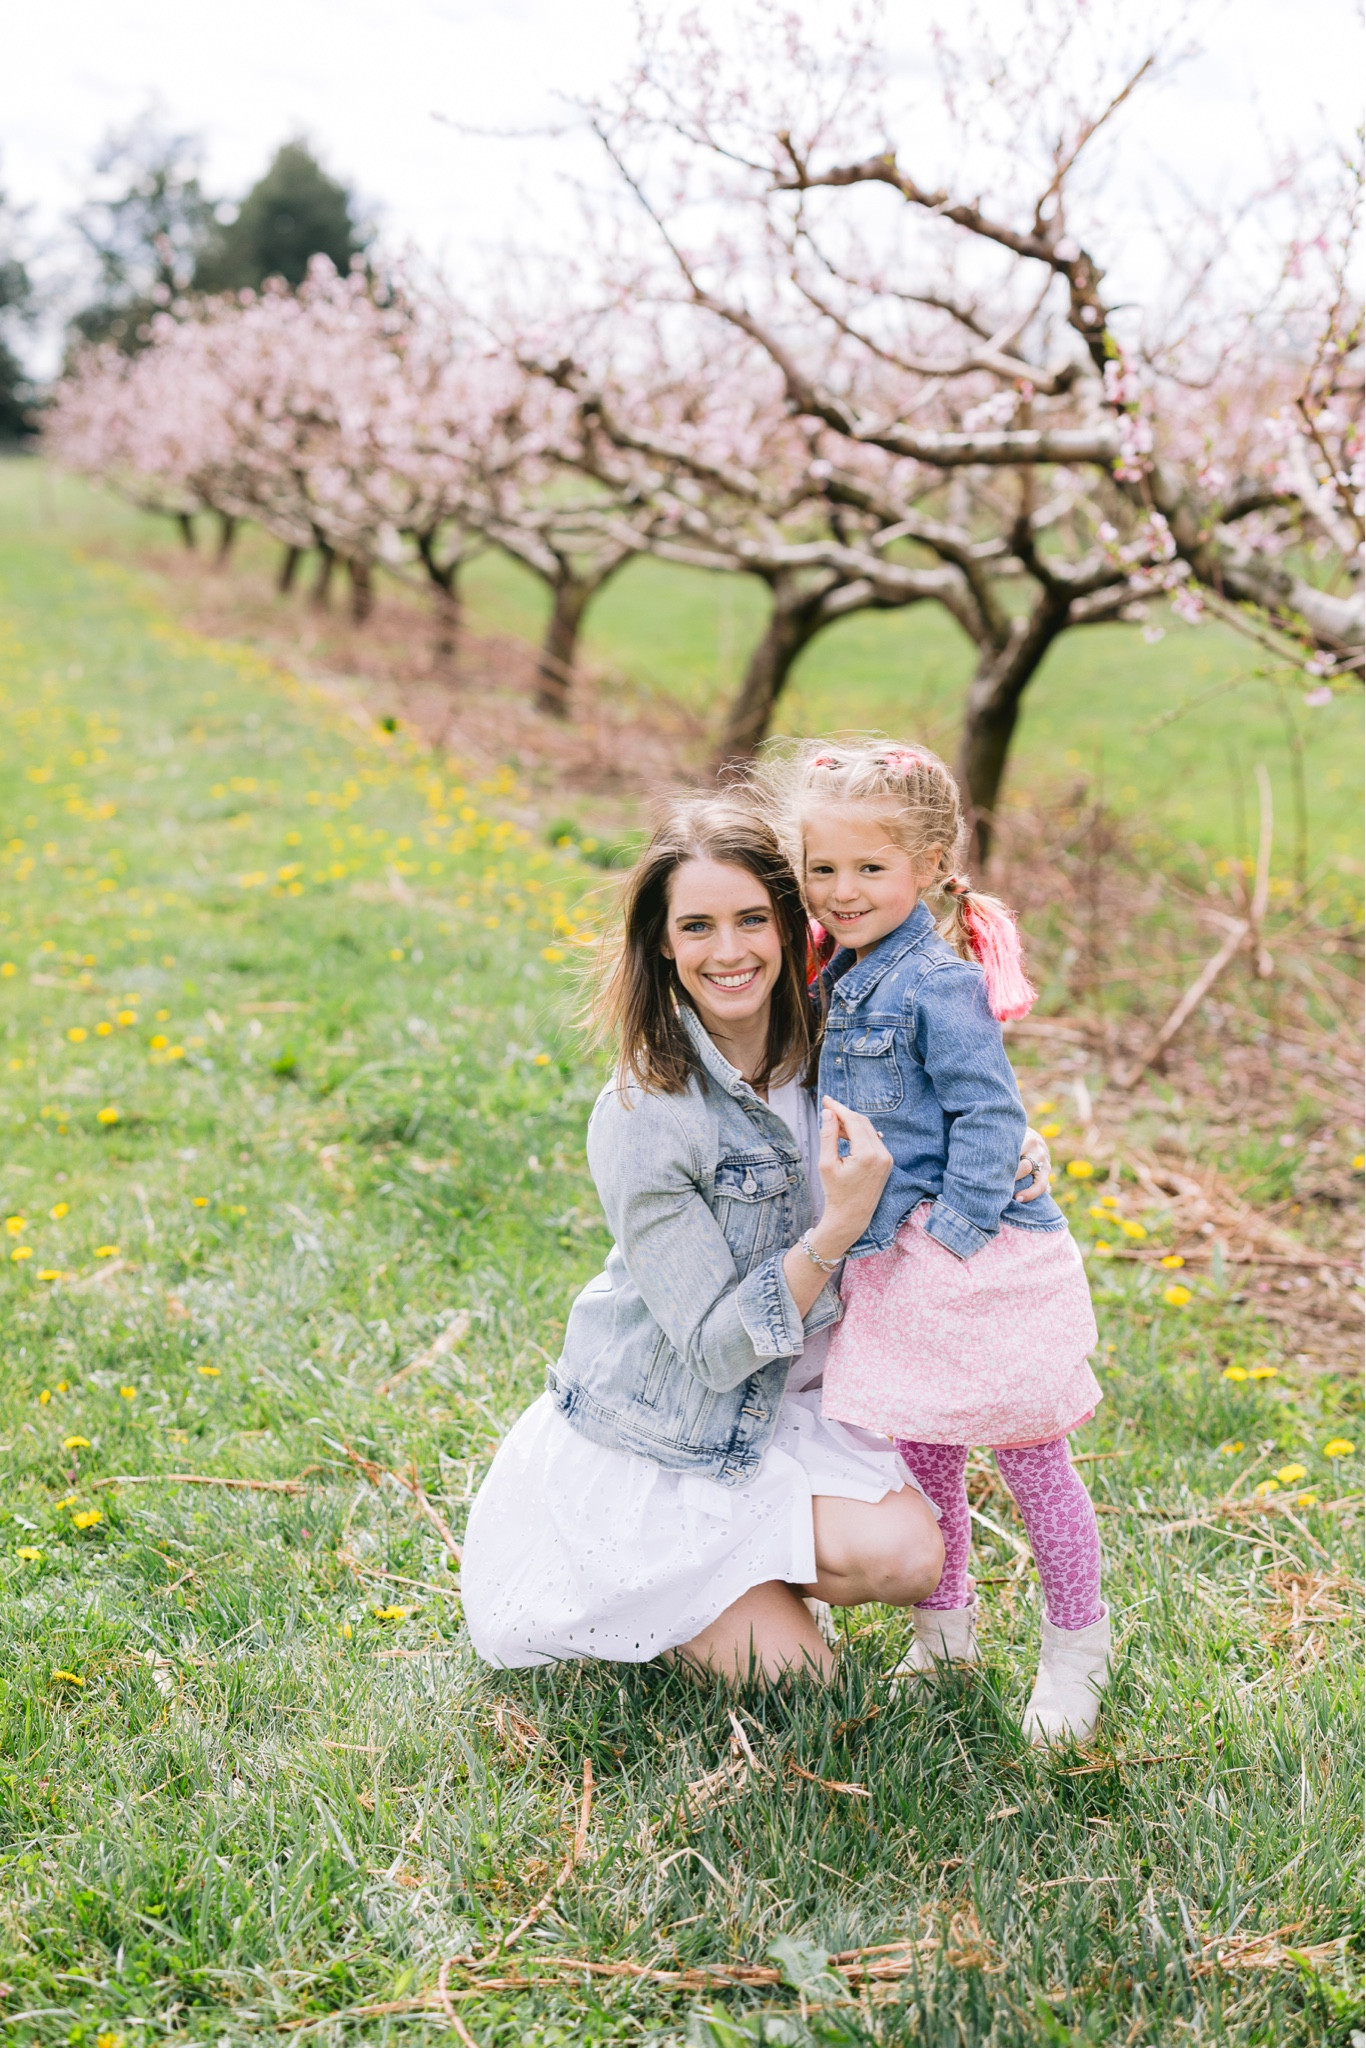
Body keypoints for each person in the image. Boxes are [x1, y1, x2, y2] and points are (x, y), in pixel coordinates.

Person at [462, 797, 1052, 1685]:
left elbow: (957, 1110)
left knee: (905, 1555)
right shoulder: (645, 1112)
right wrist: (834, 1231)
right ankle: (654, 1587)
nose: (729, 951)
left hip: (798, 1408)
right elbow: (712, 1348)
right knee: (805, 1685)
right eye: (697, 926)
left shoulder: (848, 1045)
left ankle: (756, 1575)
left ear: (788, 923)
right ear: (663, 944)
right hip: (674, 1437)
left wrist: (1015, 1147)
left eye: (750, 919)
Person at [774, 740, 1108, 1742]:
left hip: (970, 1257)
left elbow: (989, 1114)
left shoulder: (936, 983)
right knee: (925, 1452)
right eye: (823, 868)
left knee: (1029, 1454)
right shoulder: (836, 971)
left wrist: (956, 1236)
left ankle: (1076, 1645)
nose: (842, 890)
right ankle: (944, 1631)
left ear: (926, 865)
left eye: (869, 867)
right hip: (892, 1262)